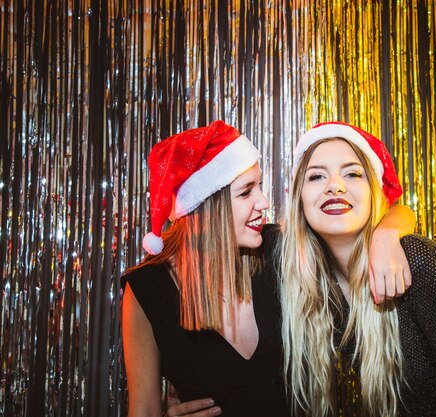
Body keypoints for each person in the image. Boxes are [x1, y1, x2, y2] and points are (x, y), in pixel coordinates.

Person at [123, 121, 416, 417]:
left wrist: (386, 234)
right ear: (205, 208)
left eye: (259, 186)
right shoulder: (145, 290)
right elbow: (143, 409)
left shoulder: (278, 249)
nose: (263, 202)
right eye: (246, 192)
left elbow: (392, 210)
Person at [279, 122, 436, 416]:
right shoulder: (314, 283)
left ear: (374, 193)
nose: (335, 185)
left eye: (353, 173)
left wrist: (388, 232)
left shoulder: (416, 260)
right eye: (317, 176)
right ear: (299, 198)